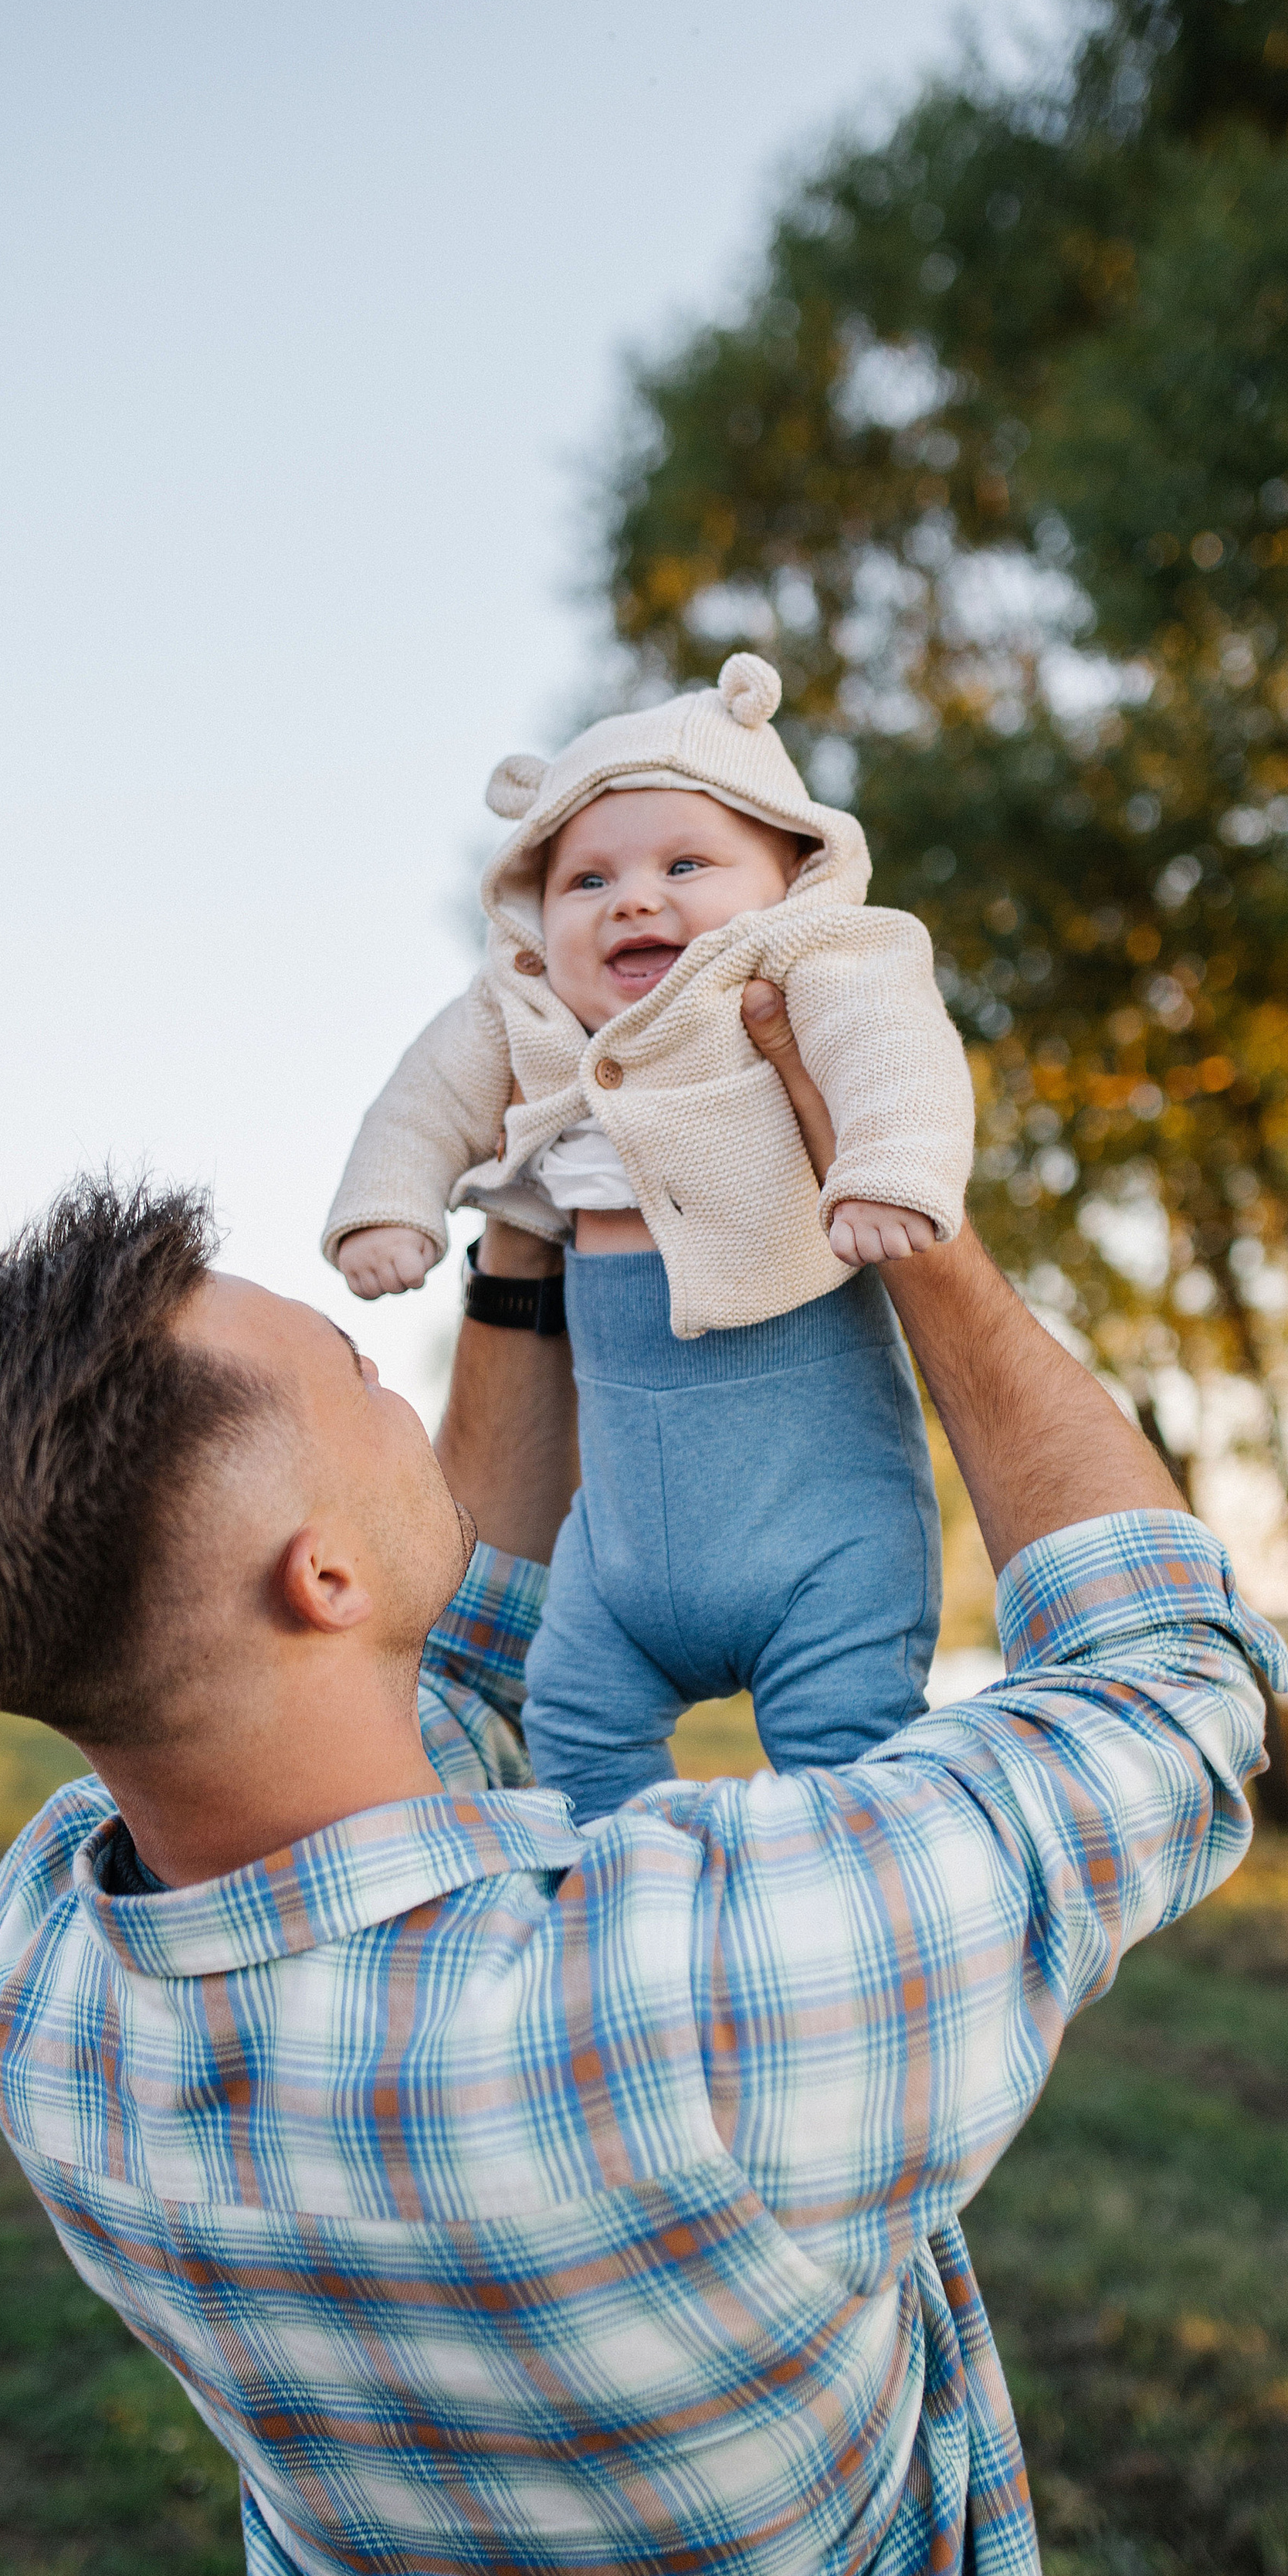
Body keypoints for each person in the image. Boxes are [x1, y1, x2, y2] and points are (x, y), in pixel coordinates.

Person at [0, 997, 1286, 2576]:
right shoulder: (693, 1990)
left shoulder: (41, 1980)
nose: (401, 1390)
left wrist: (524, 1236)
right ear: (318, 1579)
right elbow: (1162, 1682)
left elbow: (442, 1676)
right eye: (359, 1374)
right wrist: (911, 1217)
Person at [323, 655, 976, 1813]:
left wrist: (885, 1165)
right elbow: (421, 1102)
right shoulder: (522, 1014)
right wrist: (391, 1202)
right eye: (587, 881)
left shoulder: (812, 966)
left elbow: (898, 1051)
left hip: (821, 1530)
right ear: (535, 913)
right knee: (572, 1734)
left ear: (791, 880)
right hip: (618, 1555)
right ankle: (629, 1915)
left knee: (853, 1766)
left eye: (686, 865)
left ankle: (806, 1943)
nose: (634, 899)